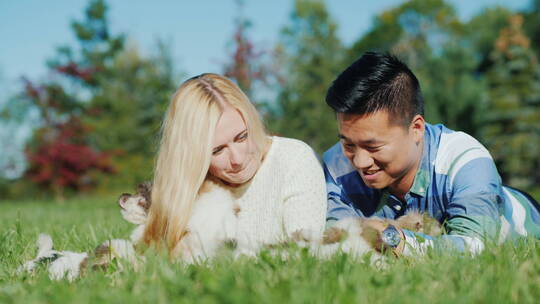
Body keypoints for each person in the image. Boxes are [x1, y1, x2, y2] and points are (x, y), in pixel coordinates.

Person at [323, 52, 540, 256]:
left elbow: (474, 248)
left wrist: (392, 238)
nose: (360, 162)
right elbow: (331, 239)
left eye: (374, 147)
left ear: (416, 128)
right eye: (349, 145)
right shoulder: (336, 165)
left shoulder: (466, 161)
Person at [143, 73, 327, 256]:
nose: (237, 159)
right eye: (217, 151)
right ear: (193, 157)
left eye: (242, 137)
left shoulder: (293, 159)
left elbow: (305, 254)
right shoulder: (187, 192)